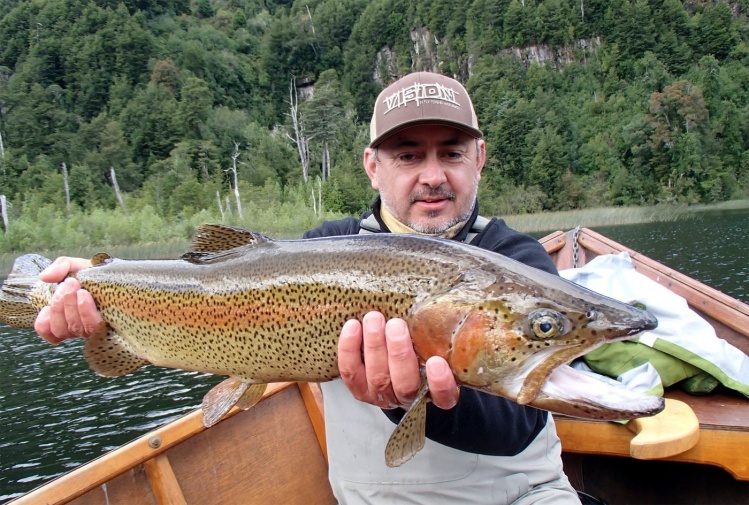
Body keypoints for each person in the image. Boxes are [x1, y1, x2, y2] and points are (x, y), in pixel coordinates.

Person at [34, 72, 581, 504]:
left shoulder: (517, 262)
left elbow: (516, 429)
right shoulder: (322, 247)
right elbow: (213, 288)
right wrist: (102, 281)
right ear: (373, 166)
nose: (433, 175)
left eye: (452, 153)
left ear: (479, 159)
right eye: (409, 155)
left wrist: (408, 393)